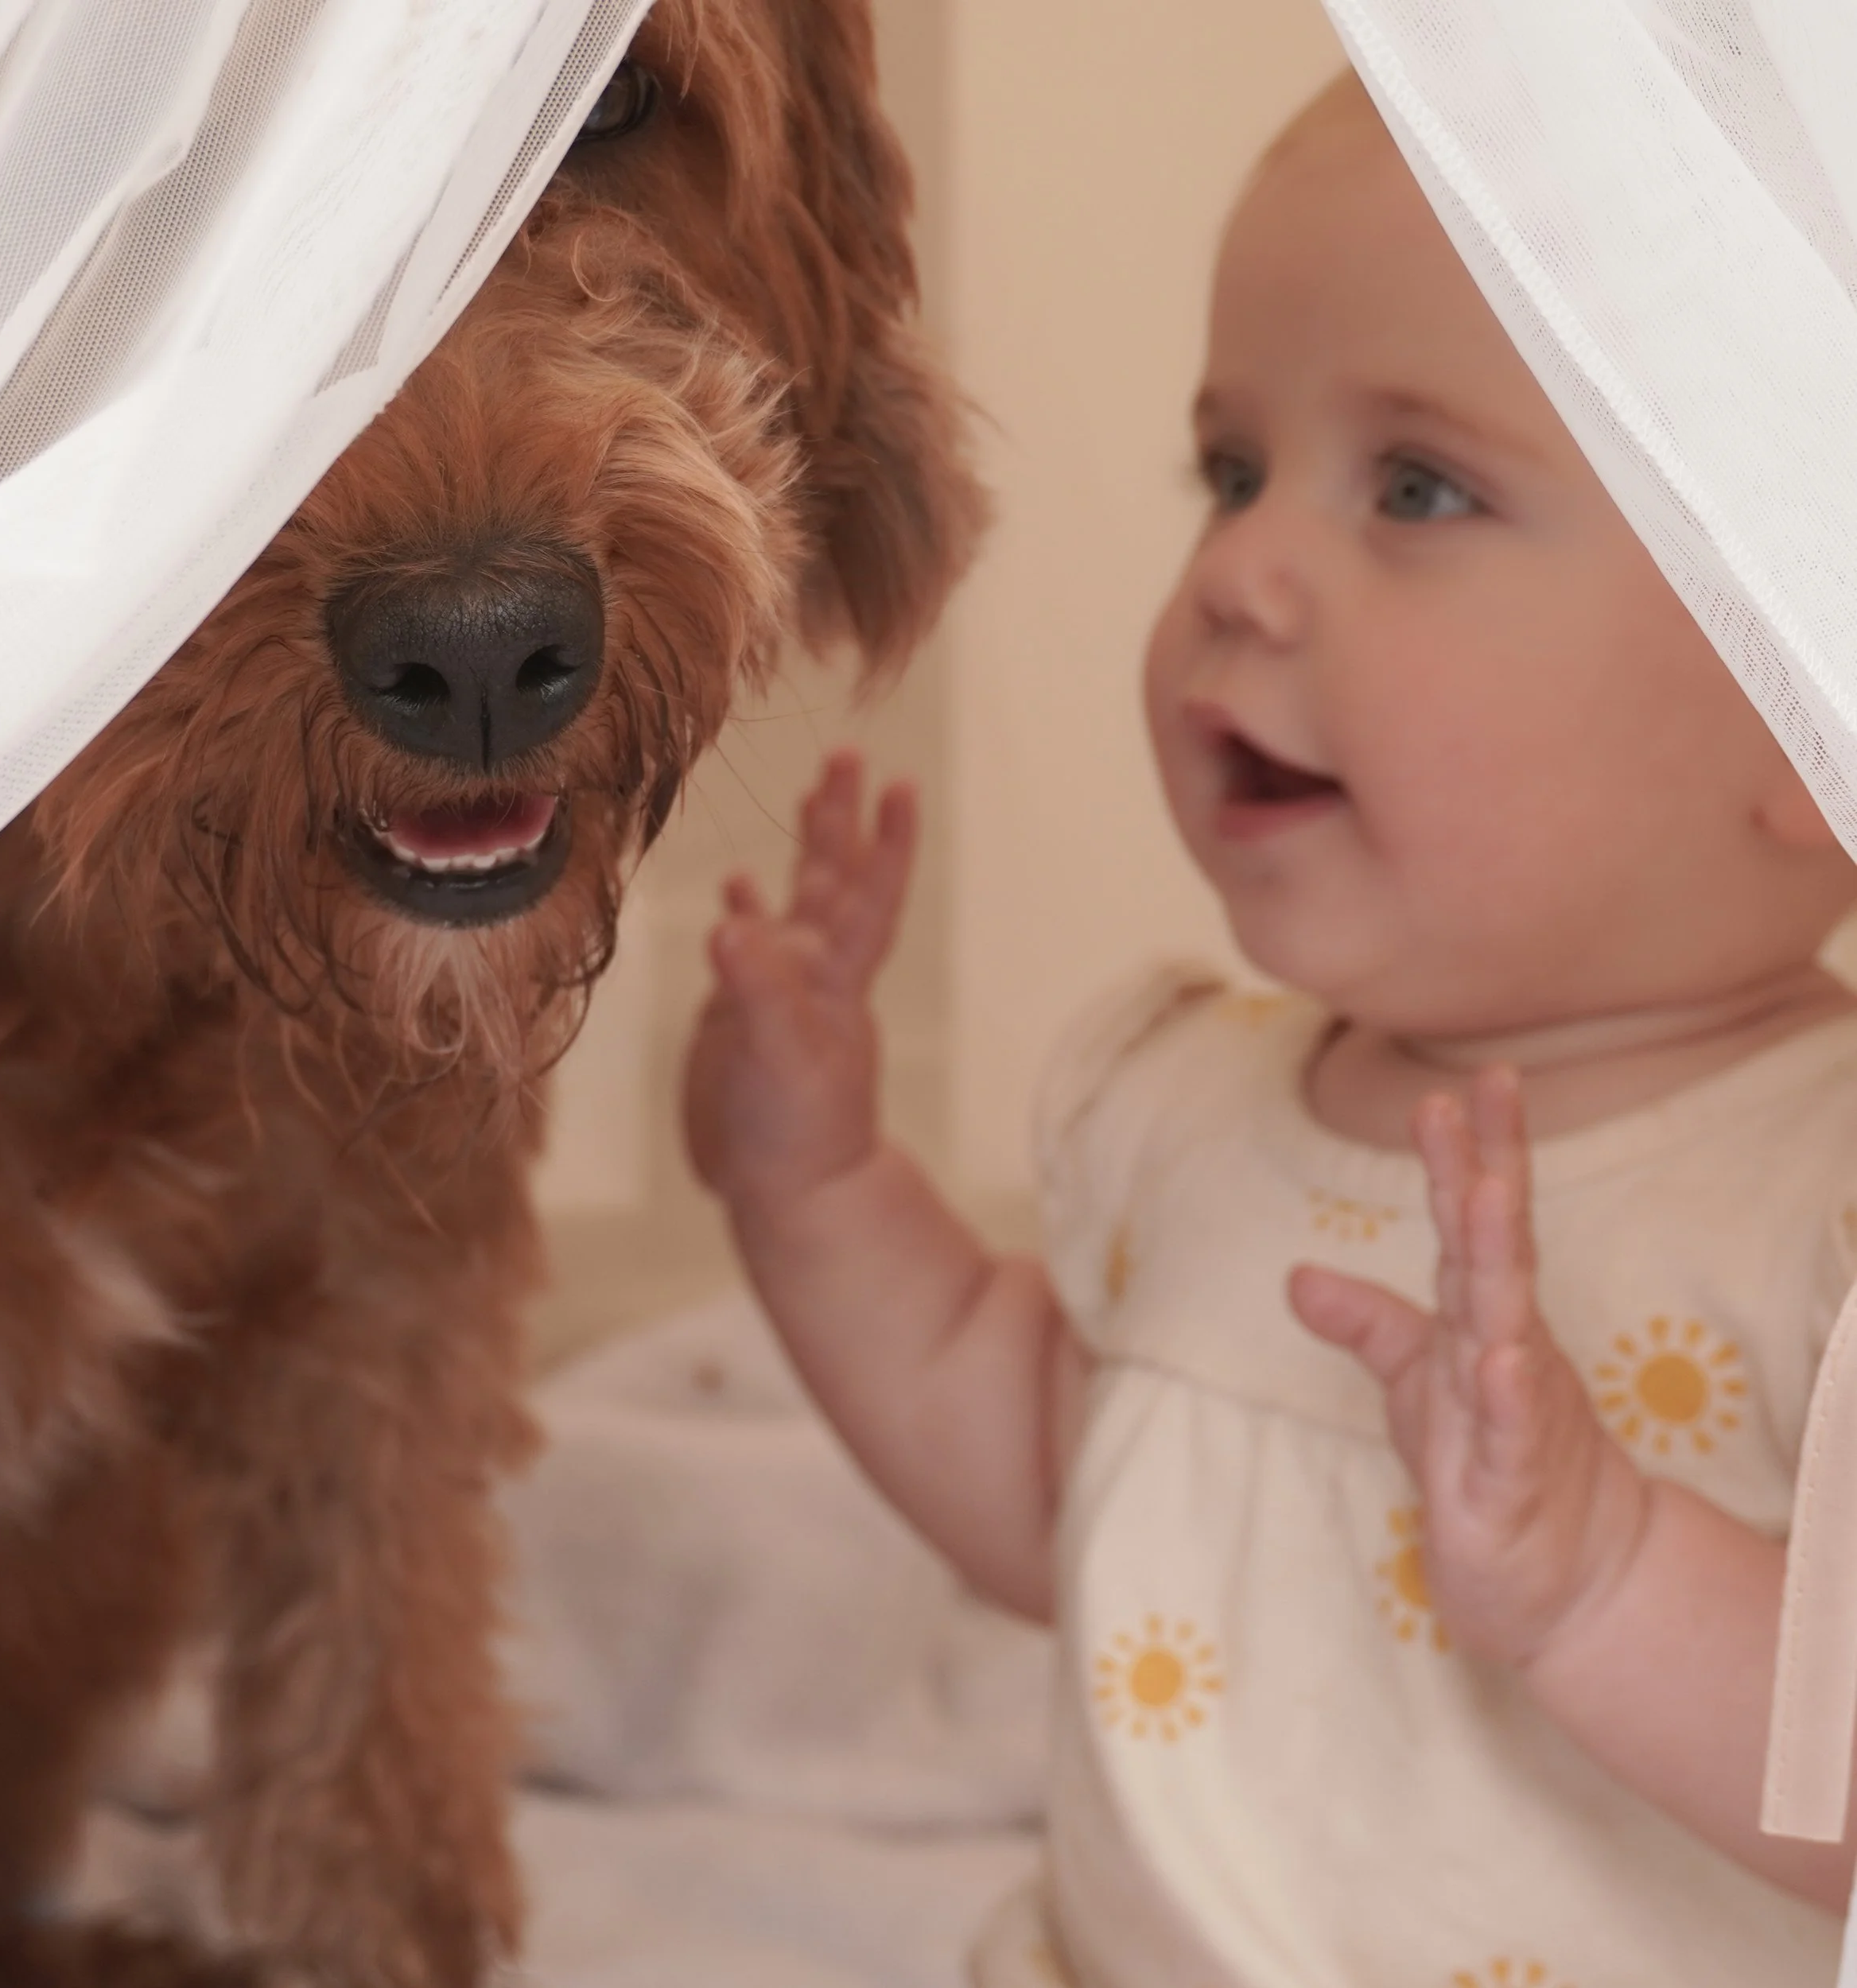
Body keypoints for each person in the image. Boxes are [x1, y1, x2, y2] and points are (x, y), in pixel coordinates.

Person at [679, 68, 1857, 1988]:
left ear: (1807, 691)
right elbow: (1064, 1489)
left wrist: (1604, 1568)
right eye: (1231, 468)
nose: (1234, 568)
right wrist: (813, 1186)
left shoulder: (1820, 1215)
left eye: (1416, 486)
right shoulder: (1191, 1101)